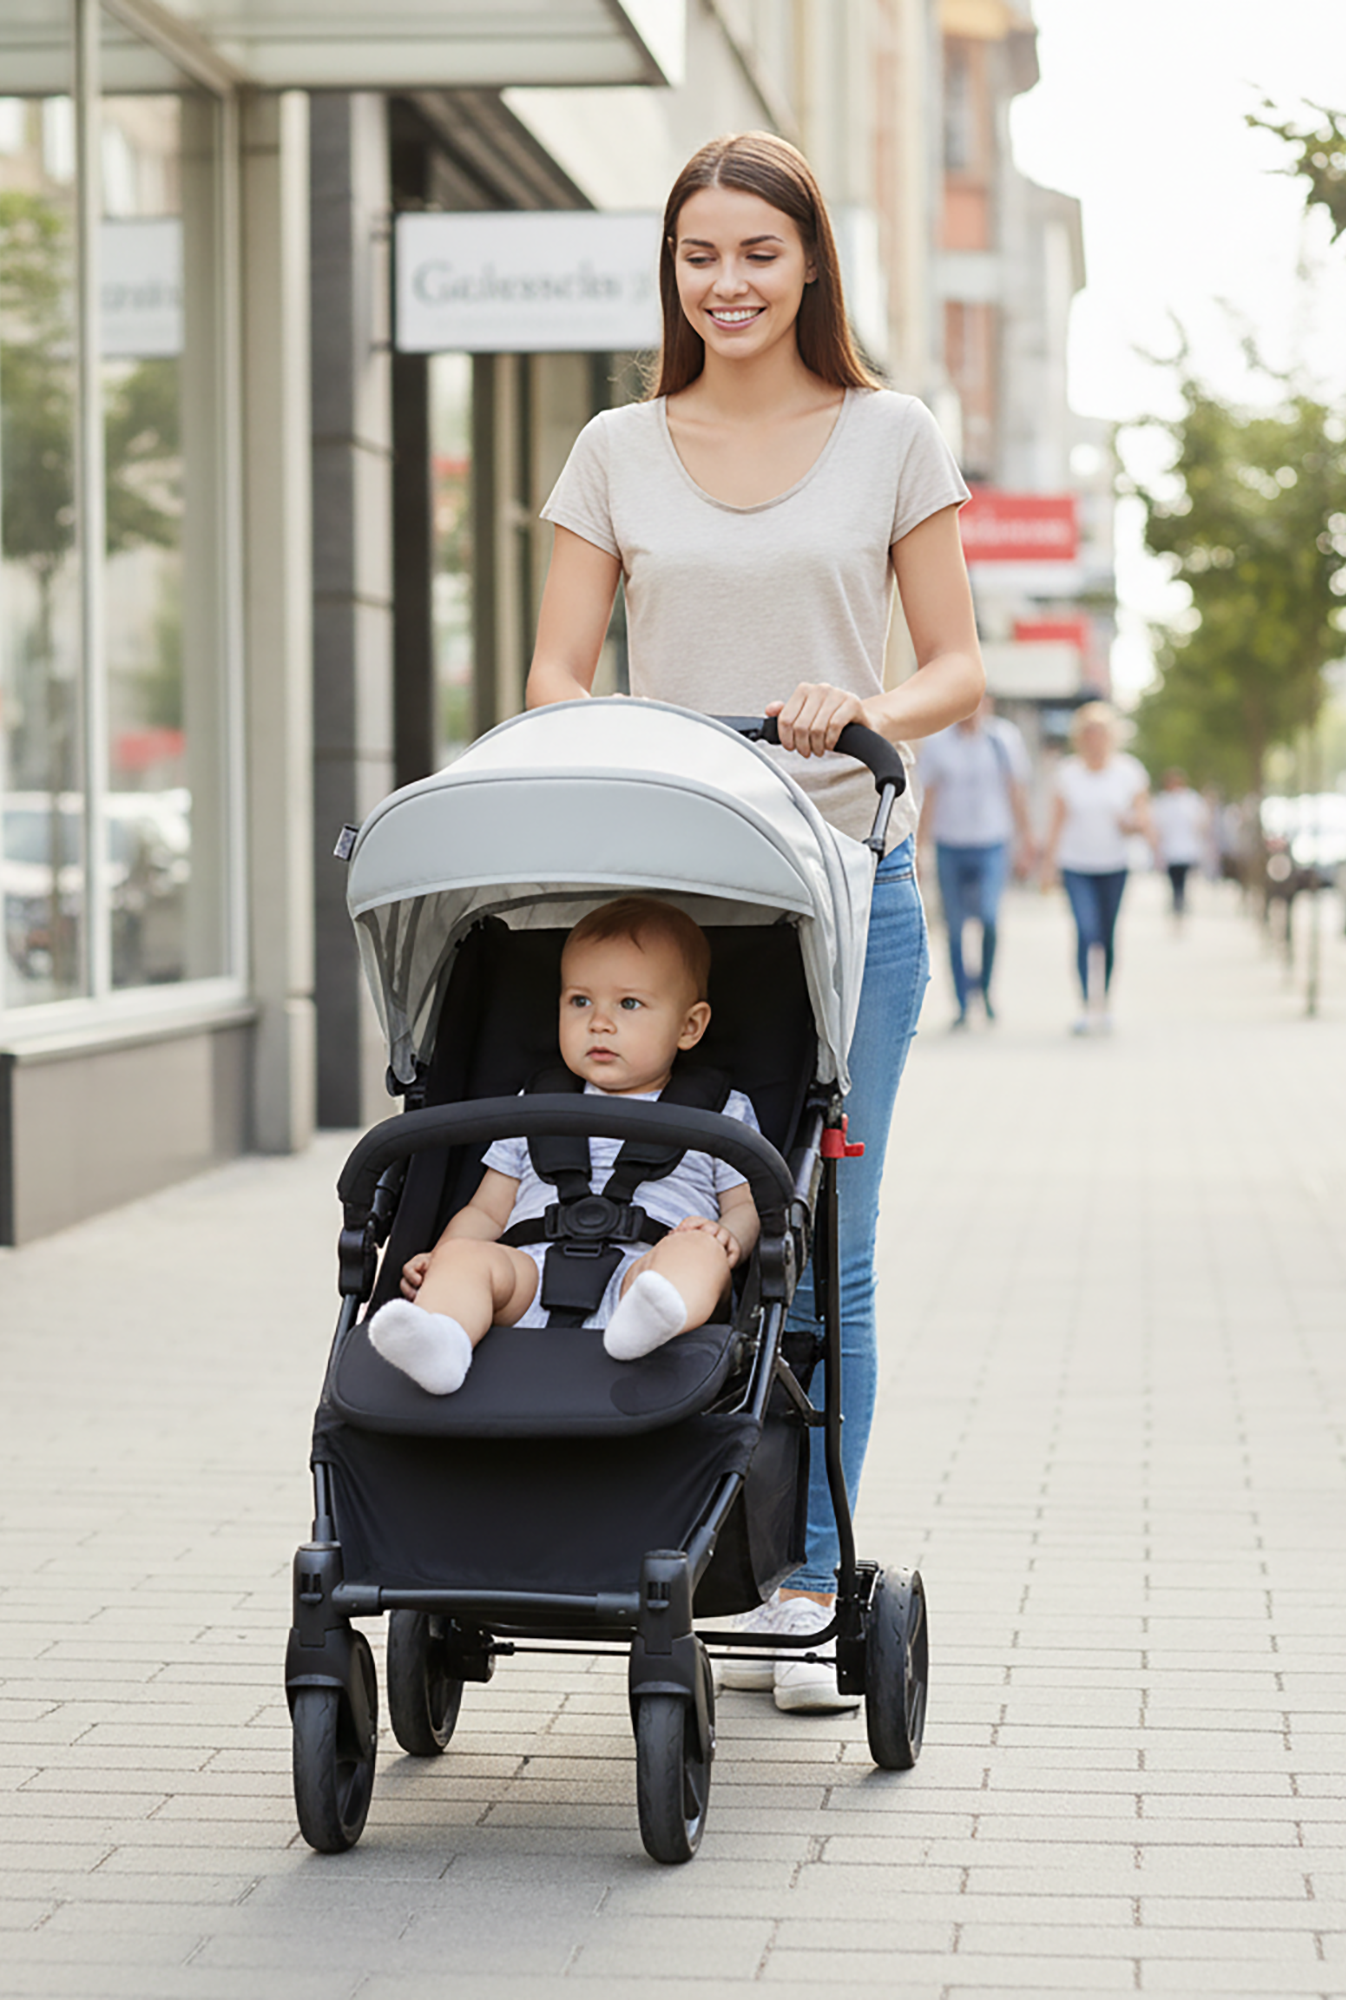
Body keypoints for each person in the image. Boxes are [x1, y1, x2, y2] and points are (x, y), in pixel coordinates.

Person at [525, 131, 986, 1710]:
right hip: (680, 900)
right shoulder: (614, 446)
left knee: (818, 1240)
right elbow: (553, 678)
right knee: (628, 1209)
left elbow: (958, 667)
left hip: (853, 885)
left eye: (757, 255)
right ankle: (643, 1524)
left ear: (810, 268)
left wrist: (856, 704)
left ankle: (799, 1574)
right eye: (699, 256)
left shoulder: (891, 434)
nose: (727, 284)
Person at [368, 898, 762, 1396]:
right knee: (467, 1256)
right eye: (580, 1001)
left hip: (647, 1268)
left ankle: (650, 1319)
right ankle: (443, 1338)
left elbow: (748, 1204)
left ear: (689, 1026)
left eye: (629, 1004)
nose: (599, 1022)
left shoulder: (720, 1110)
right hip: (529, 1273)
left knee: (699, 1253)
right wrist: (442, 1258)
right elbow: (488, 1211)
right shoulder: (535, 1103)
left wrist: (728, 1237)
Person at [914, 692, 1032, 1025]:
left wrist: (1026, 840)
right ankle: (963, 1003)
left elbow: (1016, 791)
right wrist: (920, 850)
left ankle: (986, 989)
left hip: (992, 843)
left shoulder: (1004, 738)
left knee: (989, 920)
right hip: (950, 844)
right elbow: (929, 798)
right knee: (953, 927)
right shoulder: (938, 743)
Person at [1042, 702, 1150, 1035]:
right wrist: (1048, 864)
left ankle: (1104, 1004)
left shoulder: (1129, 772)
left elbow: (1144, 820)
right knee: (1085, 932)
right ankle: (1087, 1005)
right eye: (1088, 732)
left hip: (1114, 866)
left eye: (1100, 732)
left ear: (1110, 736)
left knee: (1107, 935)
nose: (1094, 738)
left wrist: (1130, 824)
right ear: (1080, 737)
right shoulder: (1068, 774)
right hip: (1076, 866)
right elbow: (1057, 823)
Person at [1150, 766, 1208, 919]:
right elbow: (1156, 825)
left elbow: (1201, 822)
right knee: (1173, 878)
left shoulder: (1191, 799)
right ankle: (1177, 901)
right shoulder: (1162, 801)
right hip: (1169, 850)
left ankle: (1180, 901)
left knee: (1183, 878)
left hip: (1187, 849)